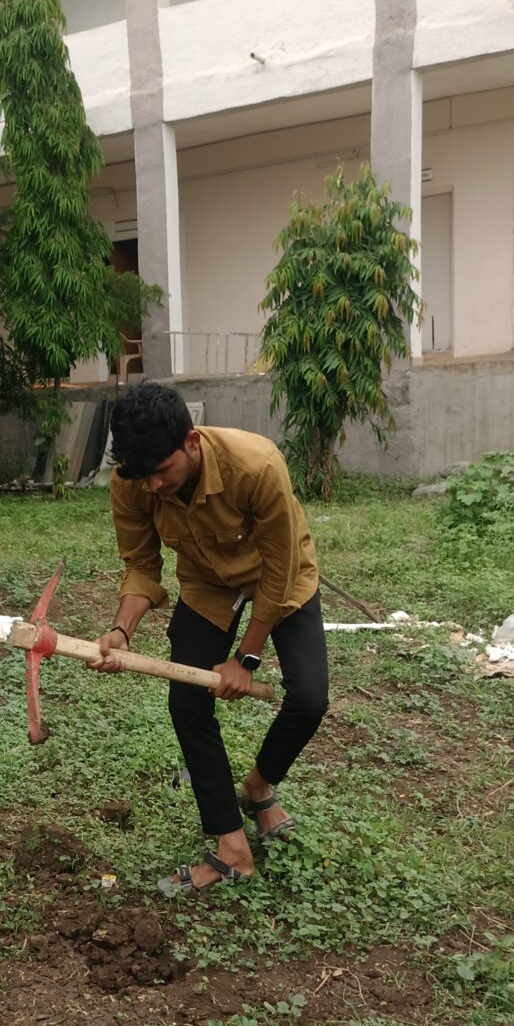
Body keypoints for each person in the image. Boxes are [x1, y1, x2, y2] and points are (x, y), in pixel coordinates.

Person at [88, 383, 328, 896]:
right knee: (187, 702)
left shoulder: (257, 466)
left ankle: (258, 787)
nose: (154, 485)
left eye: (162, 471)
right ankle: (232, 846)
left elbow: (279, 571)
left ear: (192, 442)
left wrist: (246, 657)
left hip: (280, 579)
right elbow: (141, 564)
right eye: (142, 475)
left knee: (309, 698)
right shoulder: (133, 482)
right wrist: (121, 631)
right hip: (207, 584)